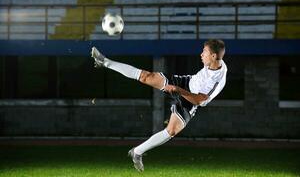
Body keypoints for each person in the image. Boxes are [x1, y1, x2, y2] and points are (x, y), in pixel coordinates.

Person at [91, 39, 227, 172]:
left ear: (213, 56)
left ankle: (137, 152)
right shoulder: (214, 61)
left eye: (204, 52)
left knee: (171, 131)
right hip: (185, 82)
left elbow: (199, 100)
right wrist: (178, 87)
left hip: (191, 100)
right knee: (146, 76)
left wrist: (178, 90)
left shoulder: (216, 79)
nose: (201, 54)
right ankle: (104, 61)